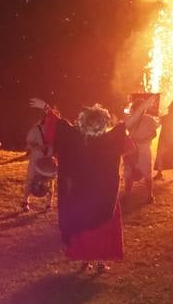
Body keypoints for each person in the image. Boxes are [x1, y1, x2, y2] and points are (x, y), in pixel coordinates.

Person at [31, 95, 153, 273]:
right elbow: (126, 125)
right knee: (103, 227)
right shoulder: (108, 140)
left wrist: (47, 109)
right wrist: (143, 108)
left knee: (85, 227)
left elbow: (59, 125)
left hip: (82, 196)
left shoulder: (76, 137)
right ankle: (99, 261)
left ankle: (86, 259)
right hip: (104, 197)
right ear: (103, 123)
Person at [123, 94, 160, 203]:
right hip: (131, 150)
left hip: (144, 150)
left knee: (147, 173)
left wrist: (143, 140)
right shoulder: (130, 120)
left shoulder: (149, 119)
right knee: (128, 172)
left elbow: (154, 133)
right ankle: (127, 194)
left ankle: (150, 195)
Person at [22, 112, 54, 212]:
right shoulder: (36, 129)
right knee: (30, 179)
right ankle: (25, 201)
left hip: (48, 158)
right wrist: (39, 147)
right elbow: (29, 142)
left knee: (50, 181)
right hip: (36, 158)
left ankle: (49, 204)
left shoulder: (54, 131)